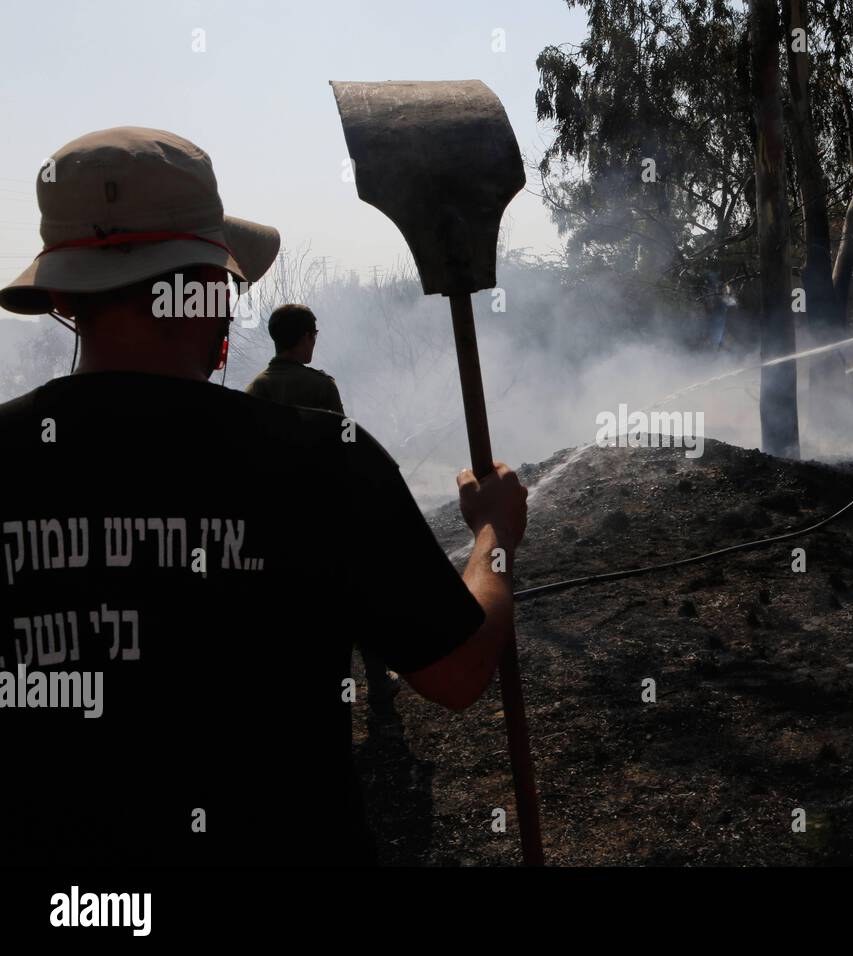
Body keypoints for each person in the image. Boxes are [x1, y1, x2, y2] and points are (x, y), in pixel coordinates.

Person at [0, 127, 527, 866]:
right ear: (212, 287)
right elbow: (459, 669)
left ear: (59, 295)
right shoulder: (321, 459)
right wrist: (494, 538)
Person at [246, 303, 401, 715]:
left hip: (281, 519)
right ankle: (379, 686)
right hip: (327, 511)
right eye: (313, 334)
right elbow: (341, 444)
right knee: (359, 595)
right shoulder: (320, 386)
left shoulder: (257, 387)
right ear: (307, 336)